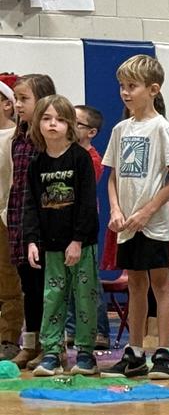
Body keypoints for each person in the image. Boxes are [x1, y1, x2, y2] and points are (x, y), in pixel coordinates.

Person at [99, 56, 169, 380]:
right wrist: (116, 209)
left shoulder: (161, 128)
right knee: (135, 284)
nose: (125, 92)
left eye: (132, 86)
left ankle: (163, 353)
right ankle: (134, 353)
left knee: (160, 284)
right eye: (122, 86)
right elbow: (112, 177)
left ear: (153, 89)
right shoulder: (120, 129)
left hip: (154, 223)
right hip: (126, 224)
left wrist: (149, 209)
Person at [21, 95, 100, 376]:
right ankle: (52, 352)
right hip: (51, 246)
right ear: (38, 124)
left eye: (60, 119)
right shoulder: (36, 163)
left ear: (70, 125)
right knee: (52, 298)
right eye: (46, 118)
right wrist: (31, 240)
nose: (52, 124)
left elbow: (87, 203)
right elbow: (31, 205)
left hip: (81, 245)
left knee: (85, 298)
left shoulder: (80, 158)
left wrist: (77, 240)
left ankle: (86, 353)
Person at [7, 74, 57, 369]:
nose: (17, 104)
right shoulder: (19, 137)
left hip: (42, 222)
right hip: (19, 218)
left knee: (45, 286)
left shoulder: (48, 140)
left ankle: (51, 345)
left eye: (24, 99)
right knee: (28, 286)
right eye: (16, 99)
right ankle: (30, 343)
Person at [65, 104, 111, 350]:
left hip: (83, 225)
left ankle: (100, 330)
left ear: (91, 132)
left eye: (76, 123)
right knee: (68, 279)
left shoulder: (91, 158)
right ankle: (73, 329)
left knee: (89, 279)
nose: (69, 126)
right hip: (63, 223)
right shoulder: (66, 154)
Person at [0, 75, 24, 361]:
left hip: (6, 215)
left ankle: (8, 338)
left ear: (7, 104)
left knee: (8, 280)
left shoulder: (16, 137)